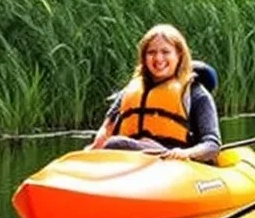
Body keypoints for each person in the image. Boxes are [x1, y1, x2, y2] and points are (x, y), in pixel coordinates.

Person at [88, 24, 222, 163]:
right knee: (113, 144)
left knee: (115, 144)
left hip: (172, 160)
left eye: (165, 52)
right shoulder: (129, 91)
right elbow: (105, 132)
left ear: (179, 55)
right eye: (151, 52)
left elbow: (212, 146)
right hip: (128, 159)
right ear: (144, 58)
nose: (158, 58)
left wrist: (186, 153)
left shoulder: (196, 93)